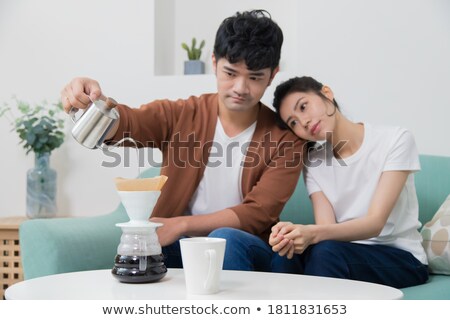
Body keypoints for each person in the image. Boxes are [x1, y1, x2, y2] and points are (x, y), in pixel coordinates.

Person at [61, 10, 304, 271]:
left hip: (246, 247)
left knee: (228, 238)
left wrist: (182, 224)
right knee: (146, 246)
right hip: (181, 247)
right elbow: (133, 123)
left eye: (255, 77)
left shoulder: (286, 139)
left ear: (273, 74)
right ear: (214, 62)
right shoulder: (184, 114)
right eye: (230, 73)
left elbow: (257, 214)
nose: (240, 88)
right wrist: (93, 105)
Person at [269, 76, 429, 288]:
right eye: (294, 123)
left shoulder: (395, 140)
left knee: (326, 253)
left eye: (304, 106)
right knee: (286, 253)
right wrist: (294, 235)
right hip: (342, 252)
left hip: (402, 258)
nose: (304, 122)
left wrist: (311, 232)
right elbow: (326, 229)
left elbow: (375, 223)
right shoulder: (313, 161)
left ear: (327, 93)